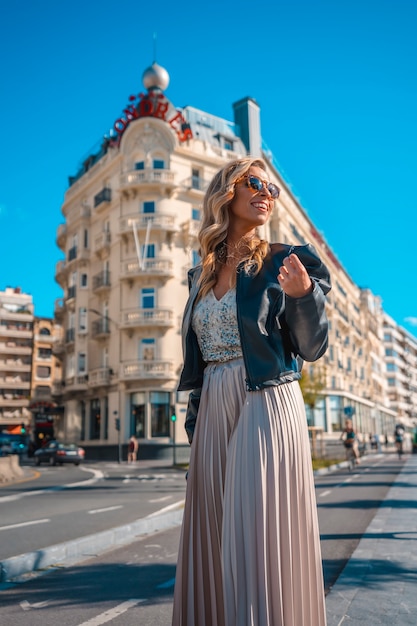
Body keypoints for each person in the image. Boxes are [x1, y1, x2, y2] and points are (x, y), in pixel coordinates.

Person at [172, 157, 331, 626]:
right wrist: (196, 429)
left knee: (257, 533)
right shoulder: (198, 278)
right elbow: (199, 365)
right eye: (255, 183)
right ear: (227, 192)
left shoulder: (288, 260)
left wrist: (303, 296)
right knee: (213, 530)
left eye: (273, 188)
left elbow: (312, 346)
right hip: (214, 407)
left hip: (265, 398)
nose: (267, 193)